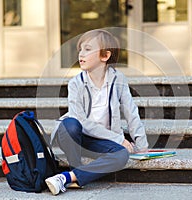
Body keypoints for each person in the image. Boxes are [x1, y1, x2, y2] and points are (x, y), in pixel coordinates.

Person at [45, 29, 148, 195]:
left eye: (87, 49)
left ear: (105, 56)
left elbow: (131, 112)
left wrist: (142, 146)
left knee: (121, 155)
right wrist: (119, 139)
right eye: (80, 49)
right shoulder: (75, 83)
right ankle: (76, 168)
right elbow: (81, 121)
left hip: (99, 141)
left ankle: (67, 177)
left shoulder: (118, 79)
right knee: (70, 124)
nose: (81, 54)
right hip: (75, 137)